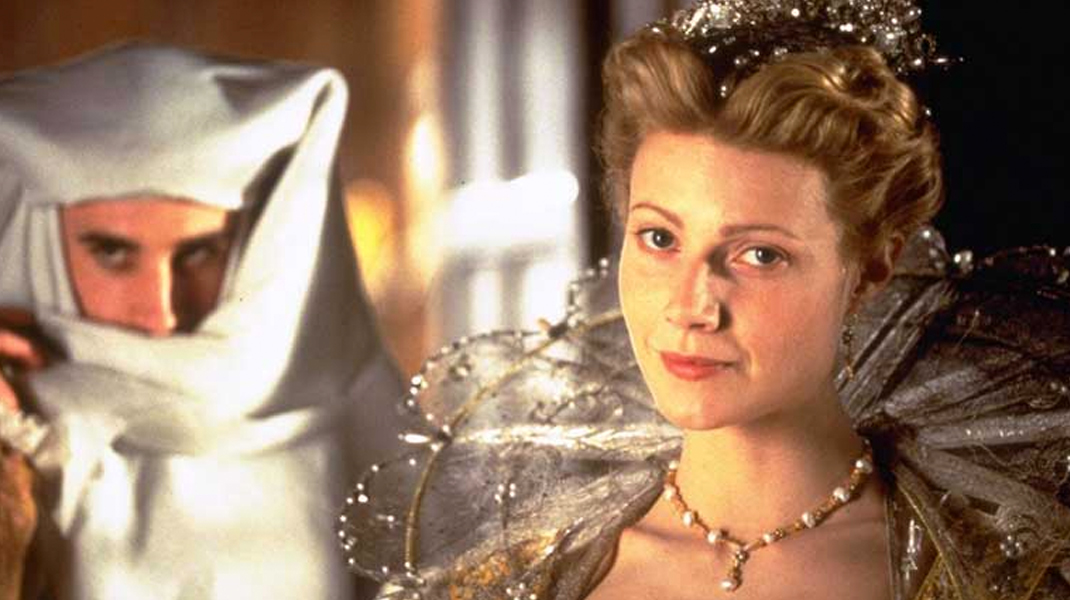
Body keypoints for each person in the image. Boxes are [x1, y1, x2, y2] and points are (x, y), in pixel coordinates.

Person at [338, 2, 1070, 599]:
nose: (692, 306)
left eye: (759, 255)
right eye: (659, 238)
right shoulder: (520, 580)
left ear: (870, 267)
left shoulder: (996, 575)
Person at [0, 43, 404, 599]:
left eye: (198, 254)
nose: (161, 311)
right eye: (112, 253)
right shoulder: (14, 417)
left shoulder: (355, 408)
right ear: (41, 238)